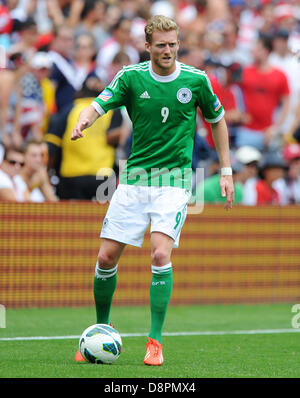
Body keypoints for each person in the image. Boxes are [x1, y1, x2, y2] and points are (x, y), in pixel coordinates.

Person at [71, 15, 234, 366]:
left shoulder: (197, 80)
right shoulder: (130, 77)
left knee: (160, 256)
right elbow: (99, 103)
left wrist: (225, 170)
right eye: (161, 45)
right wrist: (84, 120)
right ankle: (102, 328)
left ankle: (155, 341)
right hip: (133, 182)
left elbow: (218, 120)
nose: (168, 50)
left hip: (173, 181)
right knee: (105, 259)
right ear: (147, 47)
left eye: (173, 44)